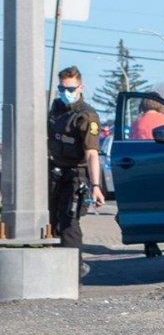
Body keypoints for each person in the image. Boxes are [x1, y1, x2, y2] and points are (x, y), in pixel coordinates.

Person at [47, 66, 104, 256]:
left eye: (70, 89)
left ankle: (73, 273)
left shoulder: (87, 116)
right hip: (55, 172)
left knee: (69, 223)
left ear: (80, 88)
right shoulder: (55, 109)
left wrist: (96, 185)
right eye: (62, 89)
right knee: (50, 222)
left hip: (76, 175)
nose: (66, 93)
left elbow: (92, 153)